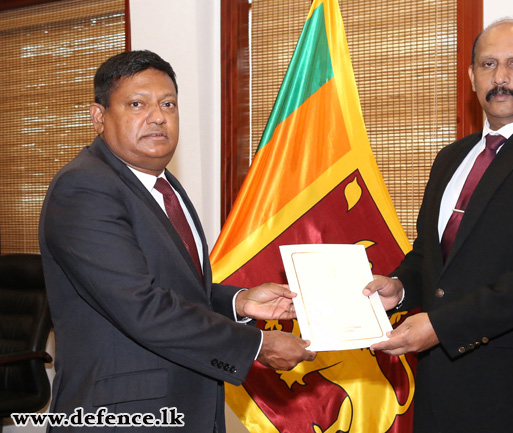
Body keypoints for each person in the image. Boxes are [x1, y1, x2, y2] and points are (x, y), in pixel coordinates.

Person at [39, 50, 315, 432]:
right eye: (137, 104)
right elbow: (141, 306)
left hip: (188, 404)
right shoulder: (85, 187)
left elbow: (171, 288)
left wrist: (238, 301)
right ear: (99, 117)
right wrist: (255, 345)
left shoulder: (162, 184)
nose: (157, 116)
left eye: (168, 104)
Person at [364, 18, 513, 433]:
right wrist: (401, 286)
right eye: (488, 64)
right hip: (439, 390)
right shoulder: (449, 158)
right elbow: (432, 254)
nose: (500, 77)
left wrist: (441, 326)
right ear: (472, 76)